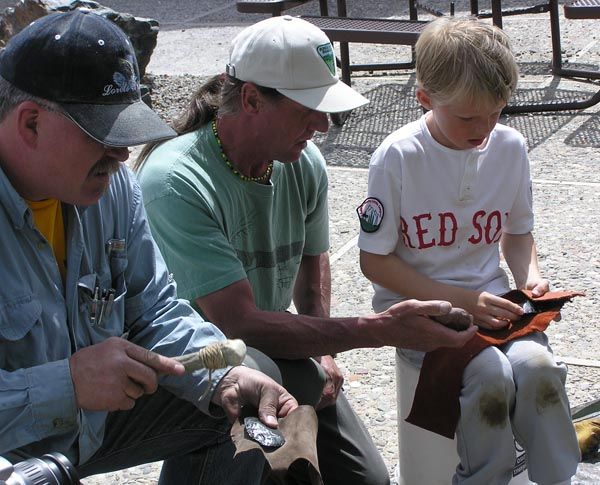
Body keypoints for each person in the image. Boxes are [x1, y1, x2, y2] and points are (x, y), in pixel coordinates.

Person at [135, 16, 477, 485]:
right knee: (255, 373)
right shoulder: (175, 181)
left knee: (366, 480)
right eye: (309, 108)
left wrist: (324, 353)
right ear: (252, 98)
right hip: (197, 367)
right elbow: (237, 324)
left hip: (279, 353)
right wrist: (380, 329)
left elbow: (312, 274)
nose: (323, 124)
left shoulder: (302, 161)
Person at [0, 10, 299, 484]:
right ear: (31, 123)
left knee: (241, 391)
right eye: (104, 134)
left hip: (91, 426)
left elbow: (154, 310)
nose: (121, 154)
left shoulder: (113, 188)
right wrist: (68, 386)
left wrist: (217, 374)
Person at [357, 17, 580, 485]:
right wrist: (462, 302)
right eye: (467, 118)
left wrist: (529, 277)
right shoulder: (397, 157)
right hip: (422, 311)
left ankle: (559, 477)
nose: (483, 128)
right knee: (491, 378)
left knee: (539, 369)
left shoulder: (510, 147)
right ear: (425, 98)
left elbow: (517, 234)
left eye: (495, 113)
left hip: (493, 302)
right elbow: (374, 260)